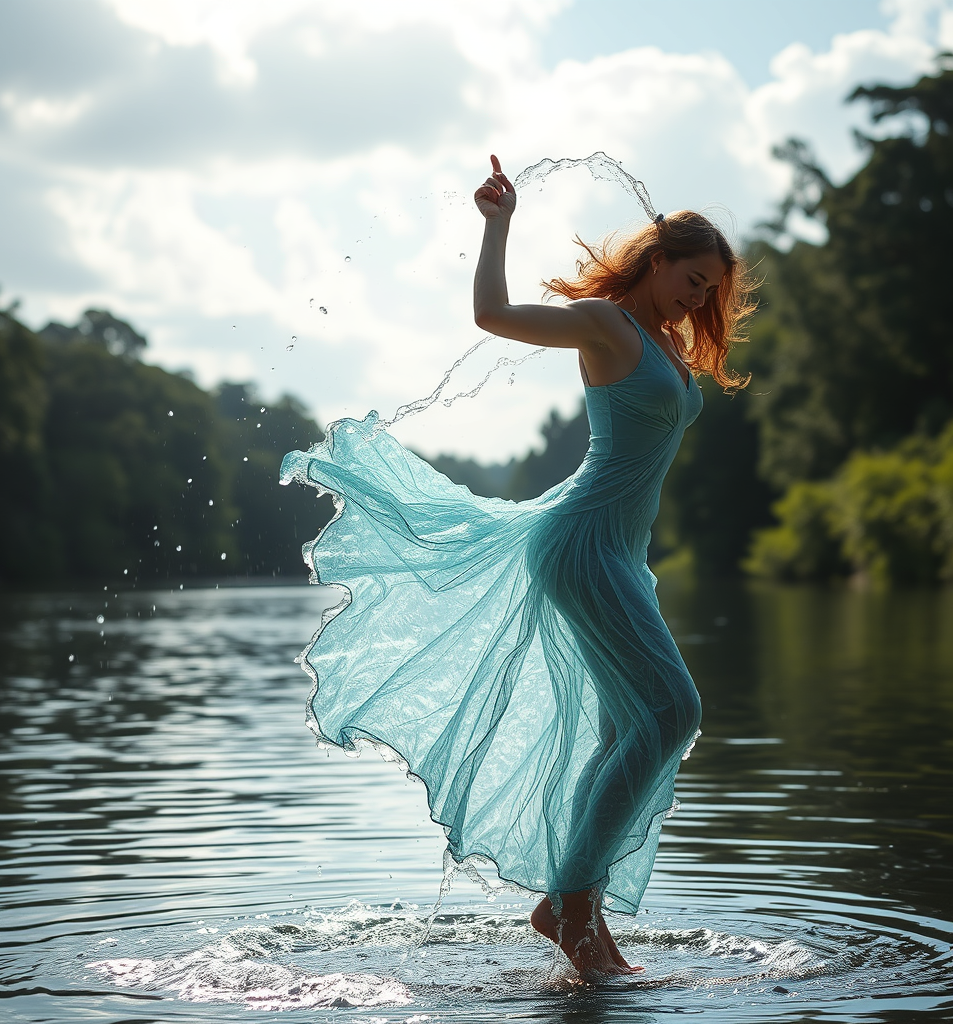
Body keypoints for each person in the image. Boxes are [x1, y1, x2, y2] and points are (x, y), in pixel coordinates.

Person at [280, 154, 755, 979]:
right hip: (579, 547)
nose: (700, 296)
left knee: (625, 730)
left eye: (712, 287)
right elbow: (493, 314)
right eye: (693, 276)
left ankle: (581, 918)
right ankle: (569, 906)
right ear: (657, 259)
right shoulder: (606, 325)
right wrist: (497, 223)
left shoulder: (662, 342)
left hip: (618, 555)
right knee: (672, 711)